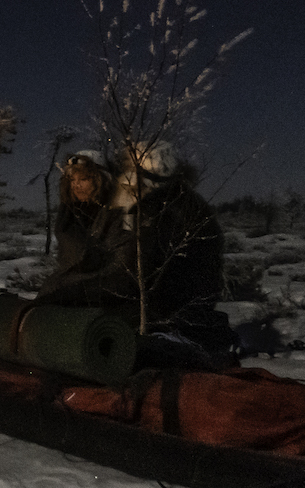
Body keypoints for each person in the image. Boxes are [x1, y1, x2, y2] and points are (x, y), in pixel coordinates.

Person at [36, 142, 229, 350]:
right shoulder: (130, 204)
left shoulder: (157, 209)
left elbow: (128, 276)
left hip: (170, 308)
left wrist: (68, 290)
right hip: (156, 299)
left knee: (87, 327)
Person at [39, 150, 125, 297]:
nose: (76, 185)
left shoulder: (117, 211)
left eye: (83, 179)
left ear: (100, 180)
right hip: (75, 283)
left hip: (104, 288)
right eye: (72, 180)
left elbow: (118, 265)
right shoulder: (70, 213)